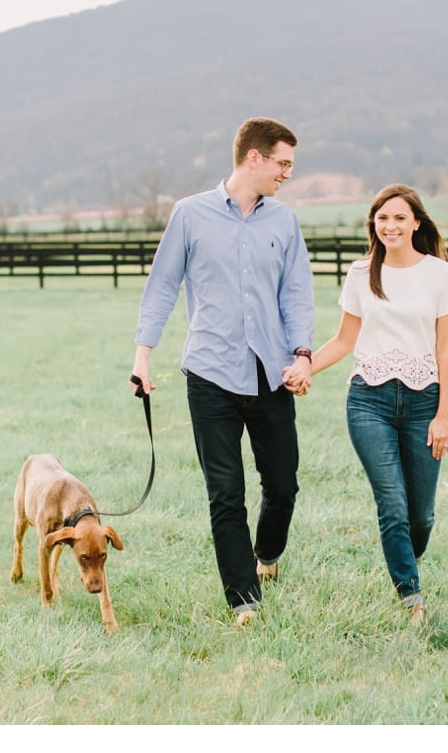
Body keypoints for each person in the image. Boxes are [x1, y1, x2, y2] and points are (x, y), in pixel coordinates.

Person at [131, 117, 315, 627]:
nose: (287, 174)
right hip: (210, 373)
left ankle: (268, 554)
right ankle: (243, 599)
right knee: (225, 491)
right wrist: (142, 357)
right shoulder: (189, 215)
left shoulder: (285, 222)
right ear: (253, 158)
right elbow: (162, 287)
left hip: (272, 371)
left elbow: (296, 292)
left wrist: (302, 354)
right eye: (283, 164)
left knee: (283, 485)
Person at [285, 183, 448, 625]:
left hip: (424, 402)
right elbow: (345, 339)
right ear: (374, 225)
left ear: (416, 222)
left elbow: (446, 352)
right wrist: (307, 366)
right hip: (370, 400)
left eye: (399, 218)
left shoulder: (441, 275)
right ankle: (412, 599)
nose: (390, 226)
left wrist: (443, 416)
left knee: (420, 515)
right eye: (382, 218)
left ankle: (404, 560)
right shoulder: (361, 272)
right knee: (392, 503)